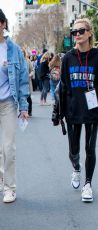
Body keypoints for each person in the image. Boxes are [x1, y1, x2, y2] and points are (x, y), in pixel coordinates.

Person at [52, 17, 98, 202]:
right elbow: (62, 87)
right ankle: (76, 169)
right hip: (72, 110)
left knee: (90, 148)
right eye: (74, 32)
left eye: (81, 31)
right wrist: (57, 113)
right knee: (73, 150)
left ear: (89, 33)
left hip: (92, 110)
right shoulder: (68, 58)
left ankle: (88, 184)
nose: (77, 35)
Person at [0, 9, 29, 203]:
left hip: (8, 104)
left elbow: (23, 79)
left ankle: (10, 187)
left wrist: (24, 106)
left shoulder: (13, 50)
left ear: (2, 24)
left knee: (8, 148)